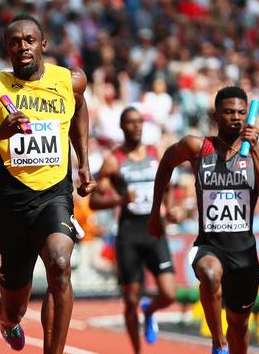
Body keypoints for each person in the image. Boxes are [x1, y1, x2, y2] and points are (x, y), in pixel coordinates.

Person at [0, 14, 97, 353]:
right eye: (15, 42)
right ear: (7, 48)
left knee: (60, 264)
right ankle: (7, 317)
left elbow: (78, 110)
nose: (23, 47)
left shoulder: (70, 81)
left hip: (53, 197)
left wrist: (85, 163)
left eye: (29, 40)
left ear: (43, 44)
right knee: (15, 303)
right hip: (11, 204)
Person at [148, 86, 259, 354]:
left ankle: (230, 342)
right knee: (208, 273)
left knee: (239, 327)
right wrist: (156, 212)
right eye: (229, 112)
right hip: (210, 245)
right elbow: (166, 164)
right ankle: (218, 343)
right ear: (216, 115)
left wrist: (251, 150)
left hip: (244, 252)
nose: (236, 118)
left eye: (242, 112)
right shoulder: (197, 147)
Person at [90, 107, 175, 353]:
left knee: (168, 294)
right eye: (131, 123)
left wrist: (168, 210)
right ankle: (137, 350)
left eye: (139, 122)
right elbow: (95, 202)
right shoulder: (113, 160)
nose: (136, 126)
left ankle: (149, 310)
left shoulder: (154, 154)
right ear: (122, 126)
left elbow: (167, 185)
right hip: (129, 231)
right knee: (129, 300)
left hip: (154, 228)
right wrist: (120, 200)